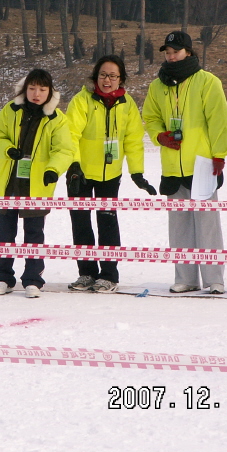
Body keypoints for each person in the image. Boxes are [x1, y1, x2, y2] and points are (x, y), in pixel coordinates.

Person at [142, 31, 227, 294]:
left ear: (189, 52)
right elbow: (151, 116)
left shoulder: (207, 82)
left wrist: (219, 154)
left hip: (202, 164)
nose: (170, 56)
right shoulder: (157, 86)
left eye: (175, 51)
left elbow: (218, 120)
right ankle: (186, 277)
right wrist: (160, 136)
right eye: (167, 52)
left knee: (207, 225)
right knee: (179, 225)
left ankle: (215, 279)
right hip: (172, 166)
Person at [65, 55, 155, 293]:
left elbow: (133, 140)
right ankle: (86, 273)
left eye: (113, 76)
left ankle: (108, 275)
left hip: (110, 174)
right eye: (103, 74)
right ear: (96, 76)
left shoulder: (127, 105)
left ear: (121, 79)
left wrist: (137, 173)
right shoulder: (82, 100)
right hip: (80, 174)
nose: (107, 80)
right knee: (81, 223)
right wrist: (73, 165)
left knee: (107, 223)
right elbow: (71, 134)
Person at [0, 69, 74, 298]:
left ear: (49, 92)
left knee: (34, 234)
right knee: (4, 233)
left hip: (36, 186)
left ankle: (33, 279)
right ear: (25, 89)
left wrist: (53, 170)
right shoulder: (11, 110)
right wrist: (7, 149)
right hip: (7, 183)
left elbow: (64, 149)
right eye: (32, 88)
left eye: (42, 89)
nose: (37, 94)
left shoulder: (57, 118)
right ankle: (3, 277)